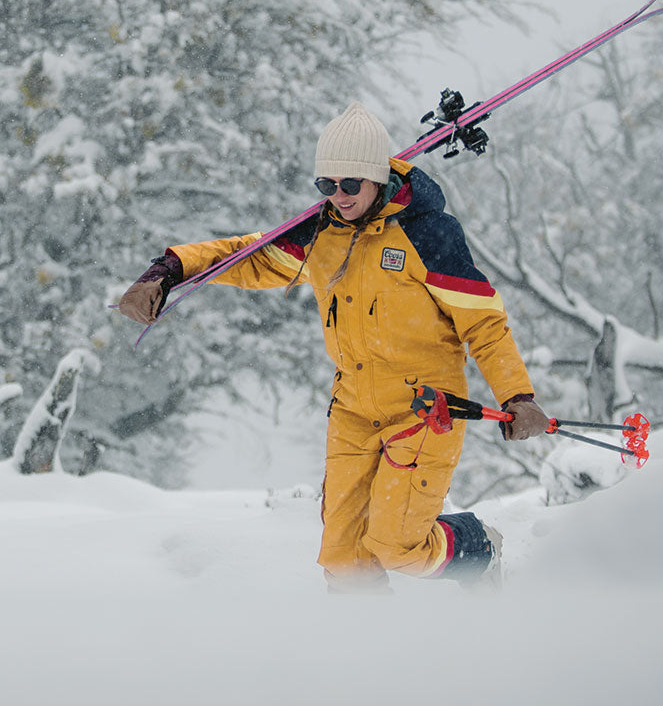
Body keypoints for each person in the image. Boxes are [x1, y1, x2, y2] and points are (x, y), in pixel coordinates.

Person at [118, 102, 550, 590]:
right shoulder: (321, 233)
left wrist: (518, 396)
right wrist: (168, 269)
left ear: (377, 178)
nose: (338, 196)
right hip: (352, 412)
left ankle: (478, 547)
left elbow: (484, 325)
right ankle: (361, 655)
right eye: (327, 185)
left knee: (396, 546)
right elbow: (245, 257)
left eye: (350, 185)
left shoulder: (428, 235)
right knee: (344, 561)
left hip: (426, 410)